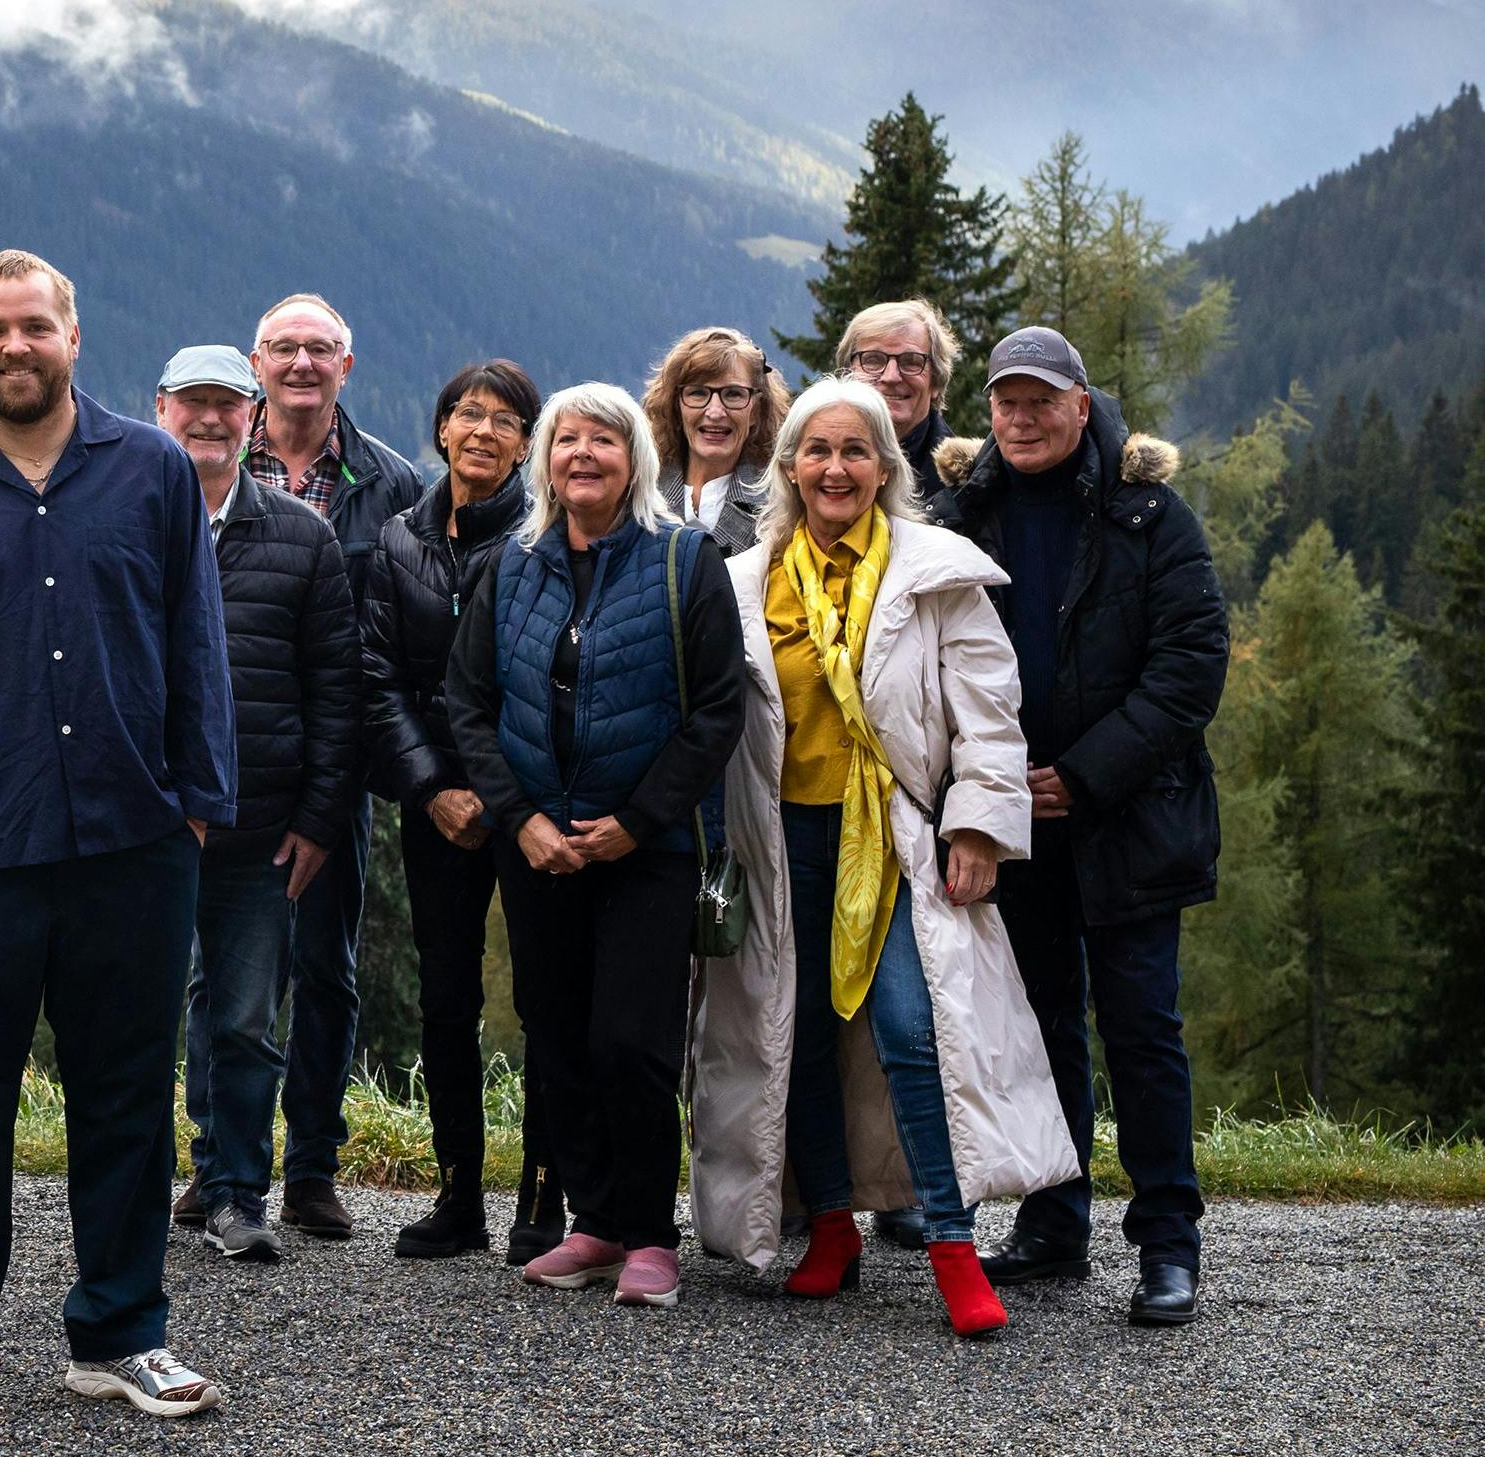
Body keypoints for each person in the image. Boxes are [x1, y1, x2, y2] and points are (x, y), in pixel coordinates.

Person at [0, 251, 236, 1420]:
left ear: (73, 334)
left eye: (34, 325)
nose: (14, 347)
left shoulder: (153, 468)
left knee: (126, 1093)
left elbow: (196, 639)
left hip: (135, 835)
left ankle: (120, 1335)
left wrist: (197, 803)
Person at [688, 378, 1077, 1337]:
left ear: (883, 467)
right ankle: (830, 1227)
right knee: (798, 1033)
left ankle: (951, 1243)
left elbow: (989, 712)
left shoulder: (935, 571)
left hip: (897, 836)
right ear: (788, 468)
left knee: (913, 1026)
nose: (835, 468)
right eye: (816, 451)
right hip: (780, 838)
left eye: (854, 451)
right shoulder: (740, 583)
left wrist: (978, 827)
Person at [940, 326, 1226, 1327]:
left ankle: (1167, 1243)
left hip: (1130, 820)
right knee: (1040, 1028)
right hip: (1009, 822)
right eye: (1005, 402)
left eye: (1039, 401)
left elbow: (1190, 666)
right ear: (989, 409)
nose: (1020, 420)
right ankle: (1054, 1222)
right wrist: (987, 787)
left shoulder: (1151, 514)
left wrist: (1085, 775)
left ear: (1080, 401)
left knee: (1142, 1028)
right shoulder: (961, 512)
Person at [447, 381, 746, 1312]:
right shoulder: (511, 563)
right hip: (536, 846)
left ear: (634, 460)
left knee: (632, 1040)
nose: (583, 454)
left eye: (603, 440)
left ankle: (650, 1234)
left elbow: (716, 711)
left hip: (645, 849)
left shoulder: (683, 561)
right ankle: (596, 1220)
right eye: (566, 439)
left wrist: (636, 821)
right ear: (545, 460)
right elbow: (467, 703)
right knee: (558, 1031)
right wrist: (520, 818)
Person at [151, 345, 361, 1266]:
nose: (209, 418)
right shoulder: (123, 518)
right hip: (143, 823)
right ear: (160, 409)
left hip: (258, 826)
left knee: (242, 1016)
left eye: (226, 404)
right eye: (191, 402)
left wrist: (318, 819)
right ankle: (140, 1186)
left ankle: (235, 1190)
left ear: (252, 417)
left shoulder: (302, 536)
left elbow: (336, 687)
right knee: (134, 1018)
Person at [360, 357, 555, 1264]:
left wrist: (500, 792)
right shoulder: (399, 538)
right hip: (437, 801)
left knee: (545, 996)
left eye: (504, 420)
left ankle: (543, 1198)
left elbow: (547, 680)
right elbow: (377, 675)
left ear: (525, 443)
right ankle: (457, 1195)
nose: (482, 431)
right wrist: (432, 787)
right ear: (441, 430)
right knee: (446, 998)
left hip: (529, 801)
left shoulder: (545, 536)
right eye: (467, 414)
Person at [244, 292, 423, 592]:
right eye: (283, 349)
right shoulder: (217, 467)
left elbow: (412, 598)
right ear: (257, 365)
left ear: (345, 368)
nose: (302, 363)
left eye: (319, 349)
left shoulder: (396, 484)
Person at [646, 326, 789, 556]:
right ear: (675, 406)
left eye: (733, 394)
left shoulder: (781, 504)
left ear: (756, 410)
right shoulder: (640, 492)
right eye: (698, 393)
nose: (715, 412)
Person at [835, 299, 962, 517]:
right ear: (847, 374)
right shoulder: (810, 468)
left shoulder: (965, 488)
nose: (891, 377)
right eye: (873, 360)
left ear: (936, 382)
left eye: (911, 361)